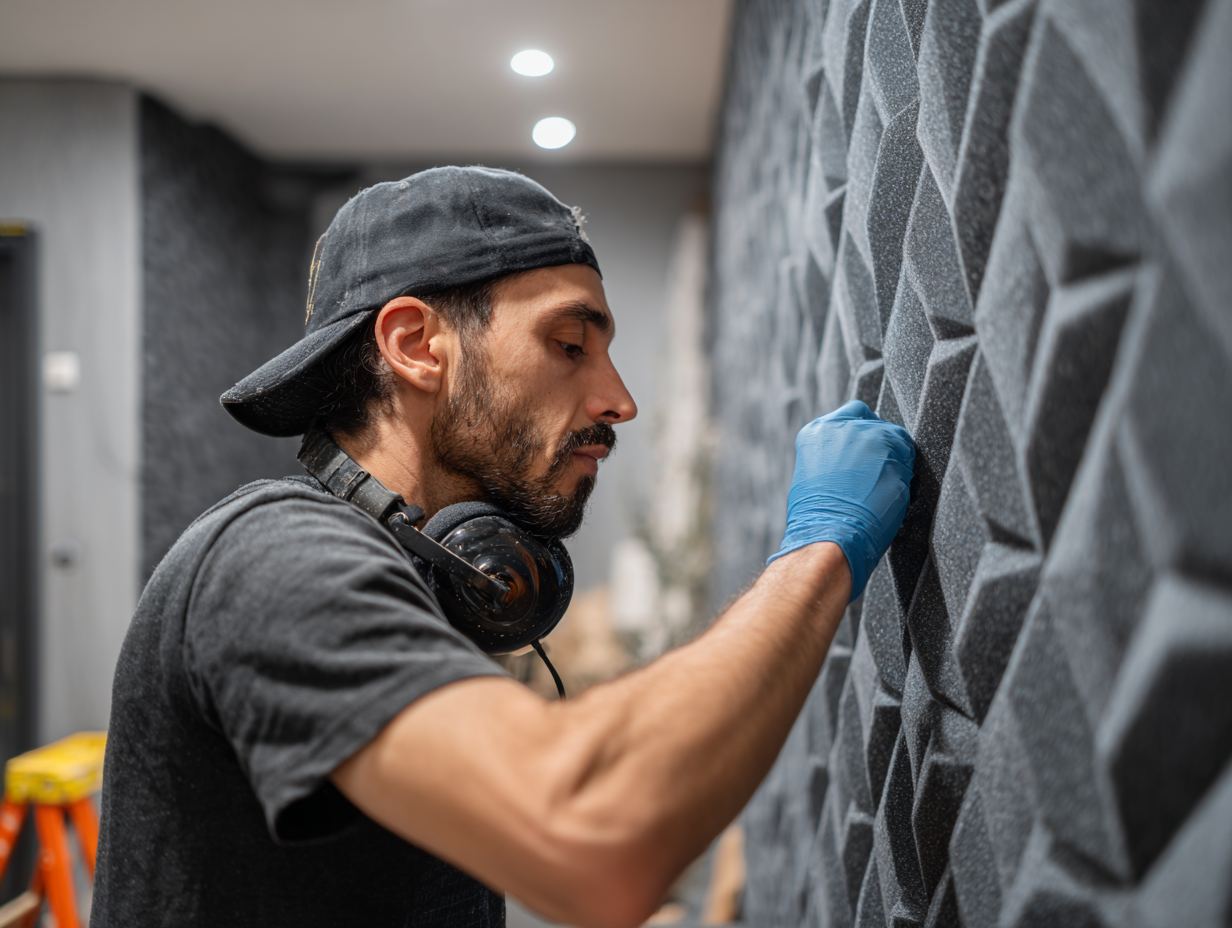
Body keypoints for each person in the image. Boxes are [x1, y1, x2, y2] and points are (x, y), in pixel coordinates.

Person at [91, 167, 914, 928]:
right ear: (417, 345)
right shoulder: (273, 559)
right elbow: (595, 838)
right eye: (569, 344)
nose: (619, 400)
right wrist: (819, 551)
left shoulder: (421, 576)